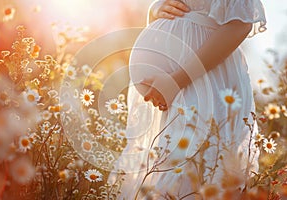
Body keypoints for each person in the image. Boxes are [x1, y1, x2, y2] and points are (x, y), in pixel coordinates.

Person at [109, 0, 267, 199]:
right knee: (163, 170)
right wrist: (156, 9)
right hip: (174, 87)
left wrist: (177, 80)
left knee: (193, 172)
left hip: (205, 80)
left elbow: (240, 24)